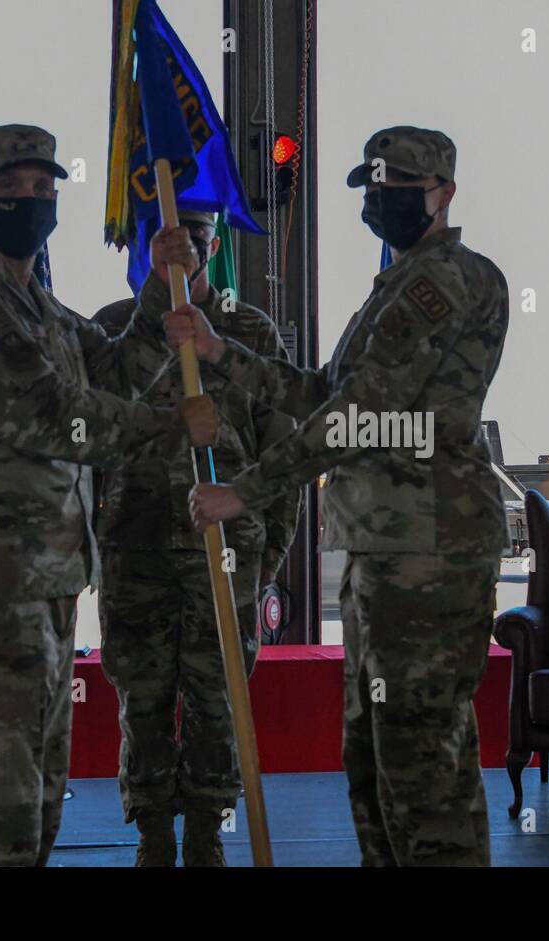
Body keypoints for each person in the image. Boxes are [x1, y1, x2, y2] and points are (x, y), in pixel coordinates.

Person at [167, 126, 510, 865]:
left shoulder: (441, 281)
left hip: (428, 549)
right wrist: (222, 353)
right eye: (374, 187)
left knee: (420, 763)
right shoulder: (391, 291)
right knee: (374, 757)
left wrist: (245, 492)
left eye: (400, 188)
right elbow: (325, 392)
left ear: (444, 193)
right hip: (383, 547)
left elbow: (358, 415)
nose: (382, 200)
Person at [0, 123, 216, 866]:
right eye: (10, 191)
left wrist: (163, 286)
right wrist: (175, 427)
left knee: (32, 810)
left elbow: (110, 370)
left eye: (43, 190)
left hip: (40, 589)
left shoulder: (34, 302)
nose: (29, 202)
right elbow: (49, 417)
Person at [90, 206, 301, 867]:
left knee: (219, 701)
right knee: (143, 699)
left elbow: (283, 452)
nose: (189, 241)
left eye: (202, 231)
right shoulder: (112, 328)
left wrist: (270, 554)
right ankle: (152, 834)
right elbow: (94, 427)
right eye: (172, 230)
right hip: (137, 544)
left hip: (229, 548)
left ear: (217, 242)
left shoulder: (249, 330)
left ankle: (207, 831)